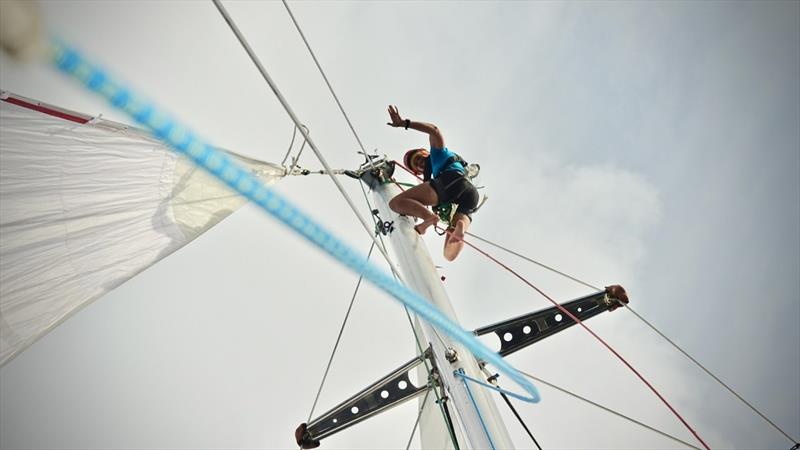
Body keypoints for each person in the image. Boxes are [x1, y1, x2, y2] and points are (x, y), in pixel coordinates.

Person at [386, 105, 479, 261]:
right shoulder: (436, 172)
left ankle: (429, 218)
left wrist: (404, 123)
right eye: (416, 164)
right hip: (470, 195)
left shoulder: (438, 153)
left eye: (419, 158)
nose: (420, 163)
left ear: (425, 152)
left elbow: (434, 130)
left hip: (451, 181)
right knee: (448, 254)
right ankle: (460, 226)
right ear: (418, 172)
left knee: (396, 203)